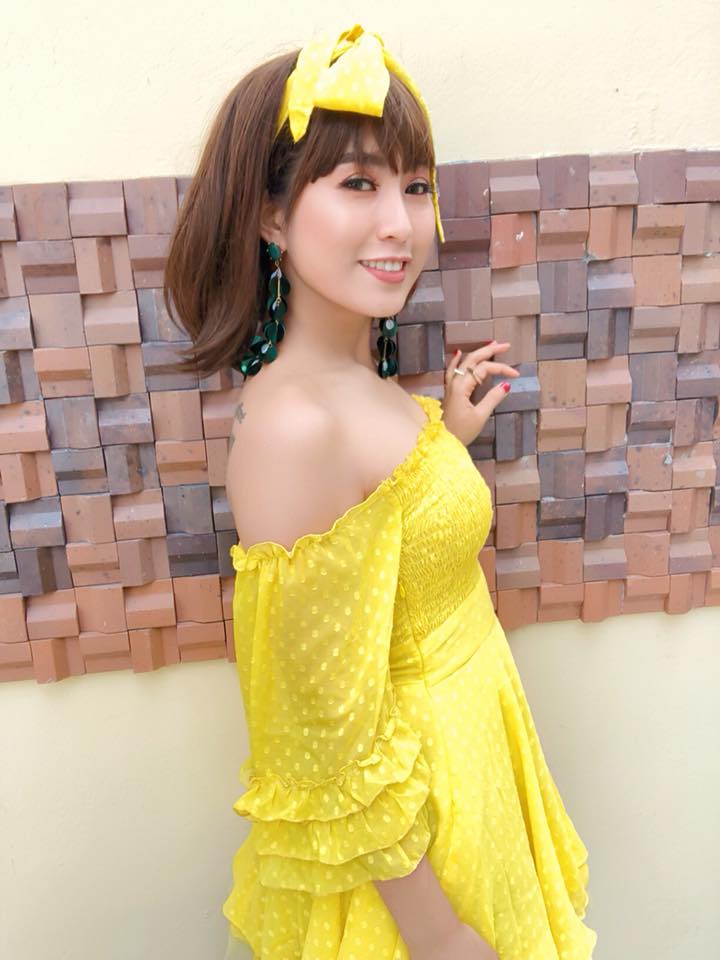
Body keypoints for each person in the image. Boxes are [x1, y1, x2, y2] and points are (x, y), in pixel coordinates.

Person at [163, 23, 599, 960]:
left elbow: (382, 520)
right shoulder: (293, 430)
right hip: (416, 849)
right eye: (358, 183)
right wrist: (439, 937)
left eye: (416, 185)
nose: (401, 224)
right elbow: (322, 734)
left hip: (468, 774)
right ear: (271, 216)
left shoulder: (356, 382)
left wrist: (445, 437)